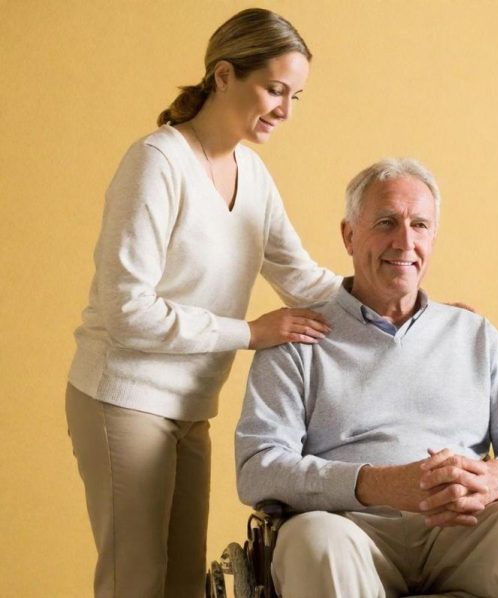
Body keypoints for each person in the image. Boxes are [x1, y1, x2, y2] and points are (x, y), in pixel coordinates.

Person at [65, 9, 342, 597]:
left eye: (297, 96)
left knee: (186, 585)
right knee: (134, 581)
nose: (286, 111)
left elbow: (303, 278)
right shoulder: (157, 162)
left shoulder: (253, 174)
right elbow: (126, 310)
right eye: (274, 89)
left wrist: (415, 307)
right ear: (222, 76)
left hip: (192, 404)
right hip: (123, 397)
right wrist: (249, 333)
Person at [235, 158, 498, 598]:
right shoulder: (297, 338)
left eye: (420, 225)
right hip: (352, 530)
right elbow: (258, 470)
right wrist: (377, 484)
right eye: (386, 222)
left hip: (464, 532)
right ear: (349, 235)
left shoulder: (472, 334)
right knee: (313, 540)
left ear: (433, 237)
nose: (404, 241)